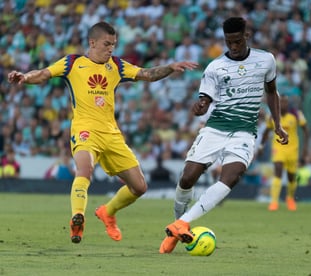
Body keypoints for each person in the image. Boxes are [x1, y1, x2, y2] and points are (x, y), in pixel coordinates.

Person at [8, 21, 198, 244]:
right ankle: (77, 217)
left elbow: (147, 74)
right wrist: (25, 77)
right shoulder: (73, 62)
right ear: (92, 42)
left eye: (114, 45)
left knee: (139, 187)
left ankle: (107, 212)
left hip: (111, 134)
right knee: (85, 169)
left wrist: (170, 67)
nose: (111, 49)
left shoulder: (117, 65)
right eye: (107, 44)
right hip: (84, 129)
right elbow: (43, 73)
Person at [159, 17, 288, 254]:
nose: (234, 46)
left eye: (238, 41)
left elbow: (272, 92)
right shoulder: (215, 67)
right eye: (229, 42)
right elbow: (204, 100)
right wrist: (200, 107)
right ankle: (178, 222)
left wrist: (277, 124)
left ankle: (181, 224)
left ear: (246, 36)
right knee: (188, 178)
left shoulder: (266, 60)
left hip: (244, 131)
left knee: (232, 175)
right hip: (216, 127)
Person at [260, 94, 309, 211]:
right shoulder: (272, 116)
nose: (283, 104)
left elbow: (306, 131)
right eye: (281, 102)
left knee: (291, 177)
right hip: (278, 147)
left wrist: (305, 149)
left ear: (288, 103)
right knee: (278, 170)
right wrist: (261, 146)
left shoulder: (296, 115)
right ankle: (274, 202)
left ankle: (290, 198)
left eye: (285, 102)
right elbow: (266, 131)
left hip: (293, 149)